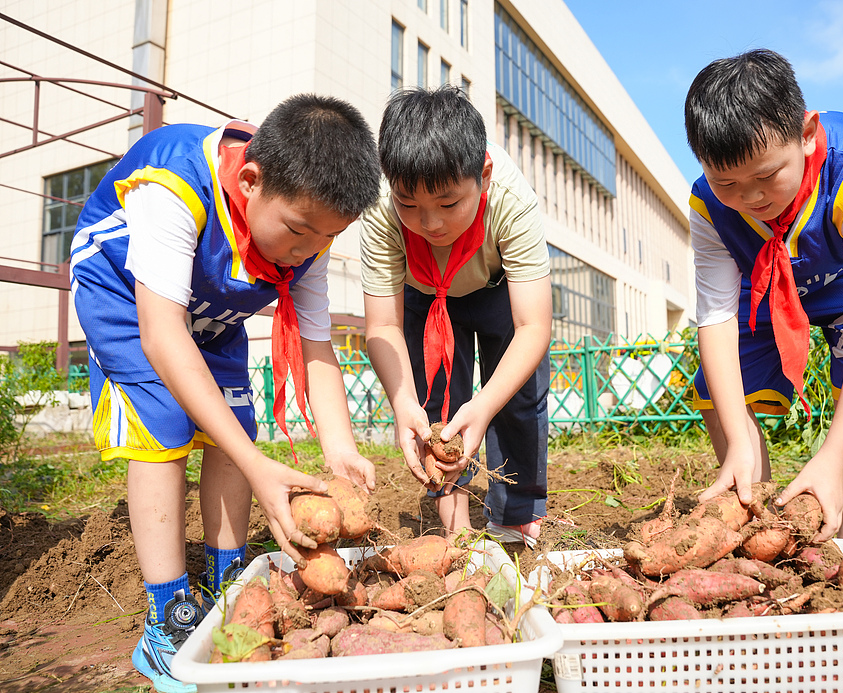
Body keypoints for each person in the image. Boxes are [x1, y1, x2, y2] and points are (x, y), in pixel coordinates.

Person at [70, 94, 381, 693]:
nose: (304, 251)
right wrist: (258, 467)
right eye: (296, 232)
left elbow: (317, 347)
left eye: (323, 239)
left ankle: (229, 580)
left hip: (210, 313)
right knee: (162, 420)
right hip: (127, 295)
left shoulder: (308, 232)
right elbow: (162, 336)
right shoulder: (175, 186)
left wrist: (339, 445)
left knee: (237, 423)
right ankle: (166, 616)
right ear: (250, 180)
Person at [684, 49, 843, 546]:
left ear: (807, 134)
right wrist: (736, 448)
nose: (751, 198)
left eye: (767, 176)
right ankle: (763, 525)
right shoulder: (709, 207)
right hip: (767, 279)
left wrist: (830, 458)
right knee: (714, 388)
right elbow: (717, 322)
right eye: (727, 182)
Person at [360, 85, 553, 546]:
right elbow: (382, 324)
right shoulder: (381, 211)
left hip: (496, 288)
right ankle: (456, 528)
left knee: (518, 397)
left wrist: (485, 406)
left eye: (449, 204)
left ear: (483, 175)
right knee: (434, 402)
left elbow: (534, 325)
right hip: (424, 295)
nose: (429, 224)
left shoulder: (511, 198)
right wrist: (402, 401)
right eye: (409, 204)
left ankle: (517, 513)